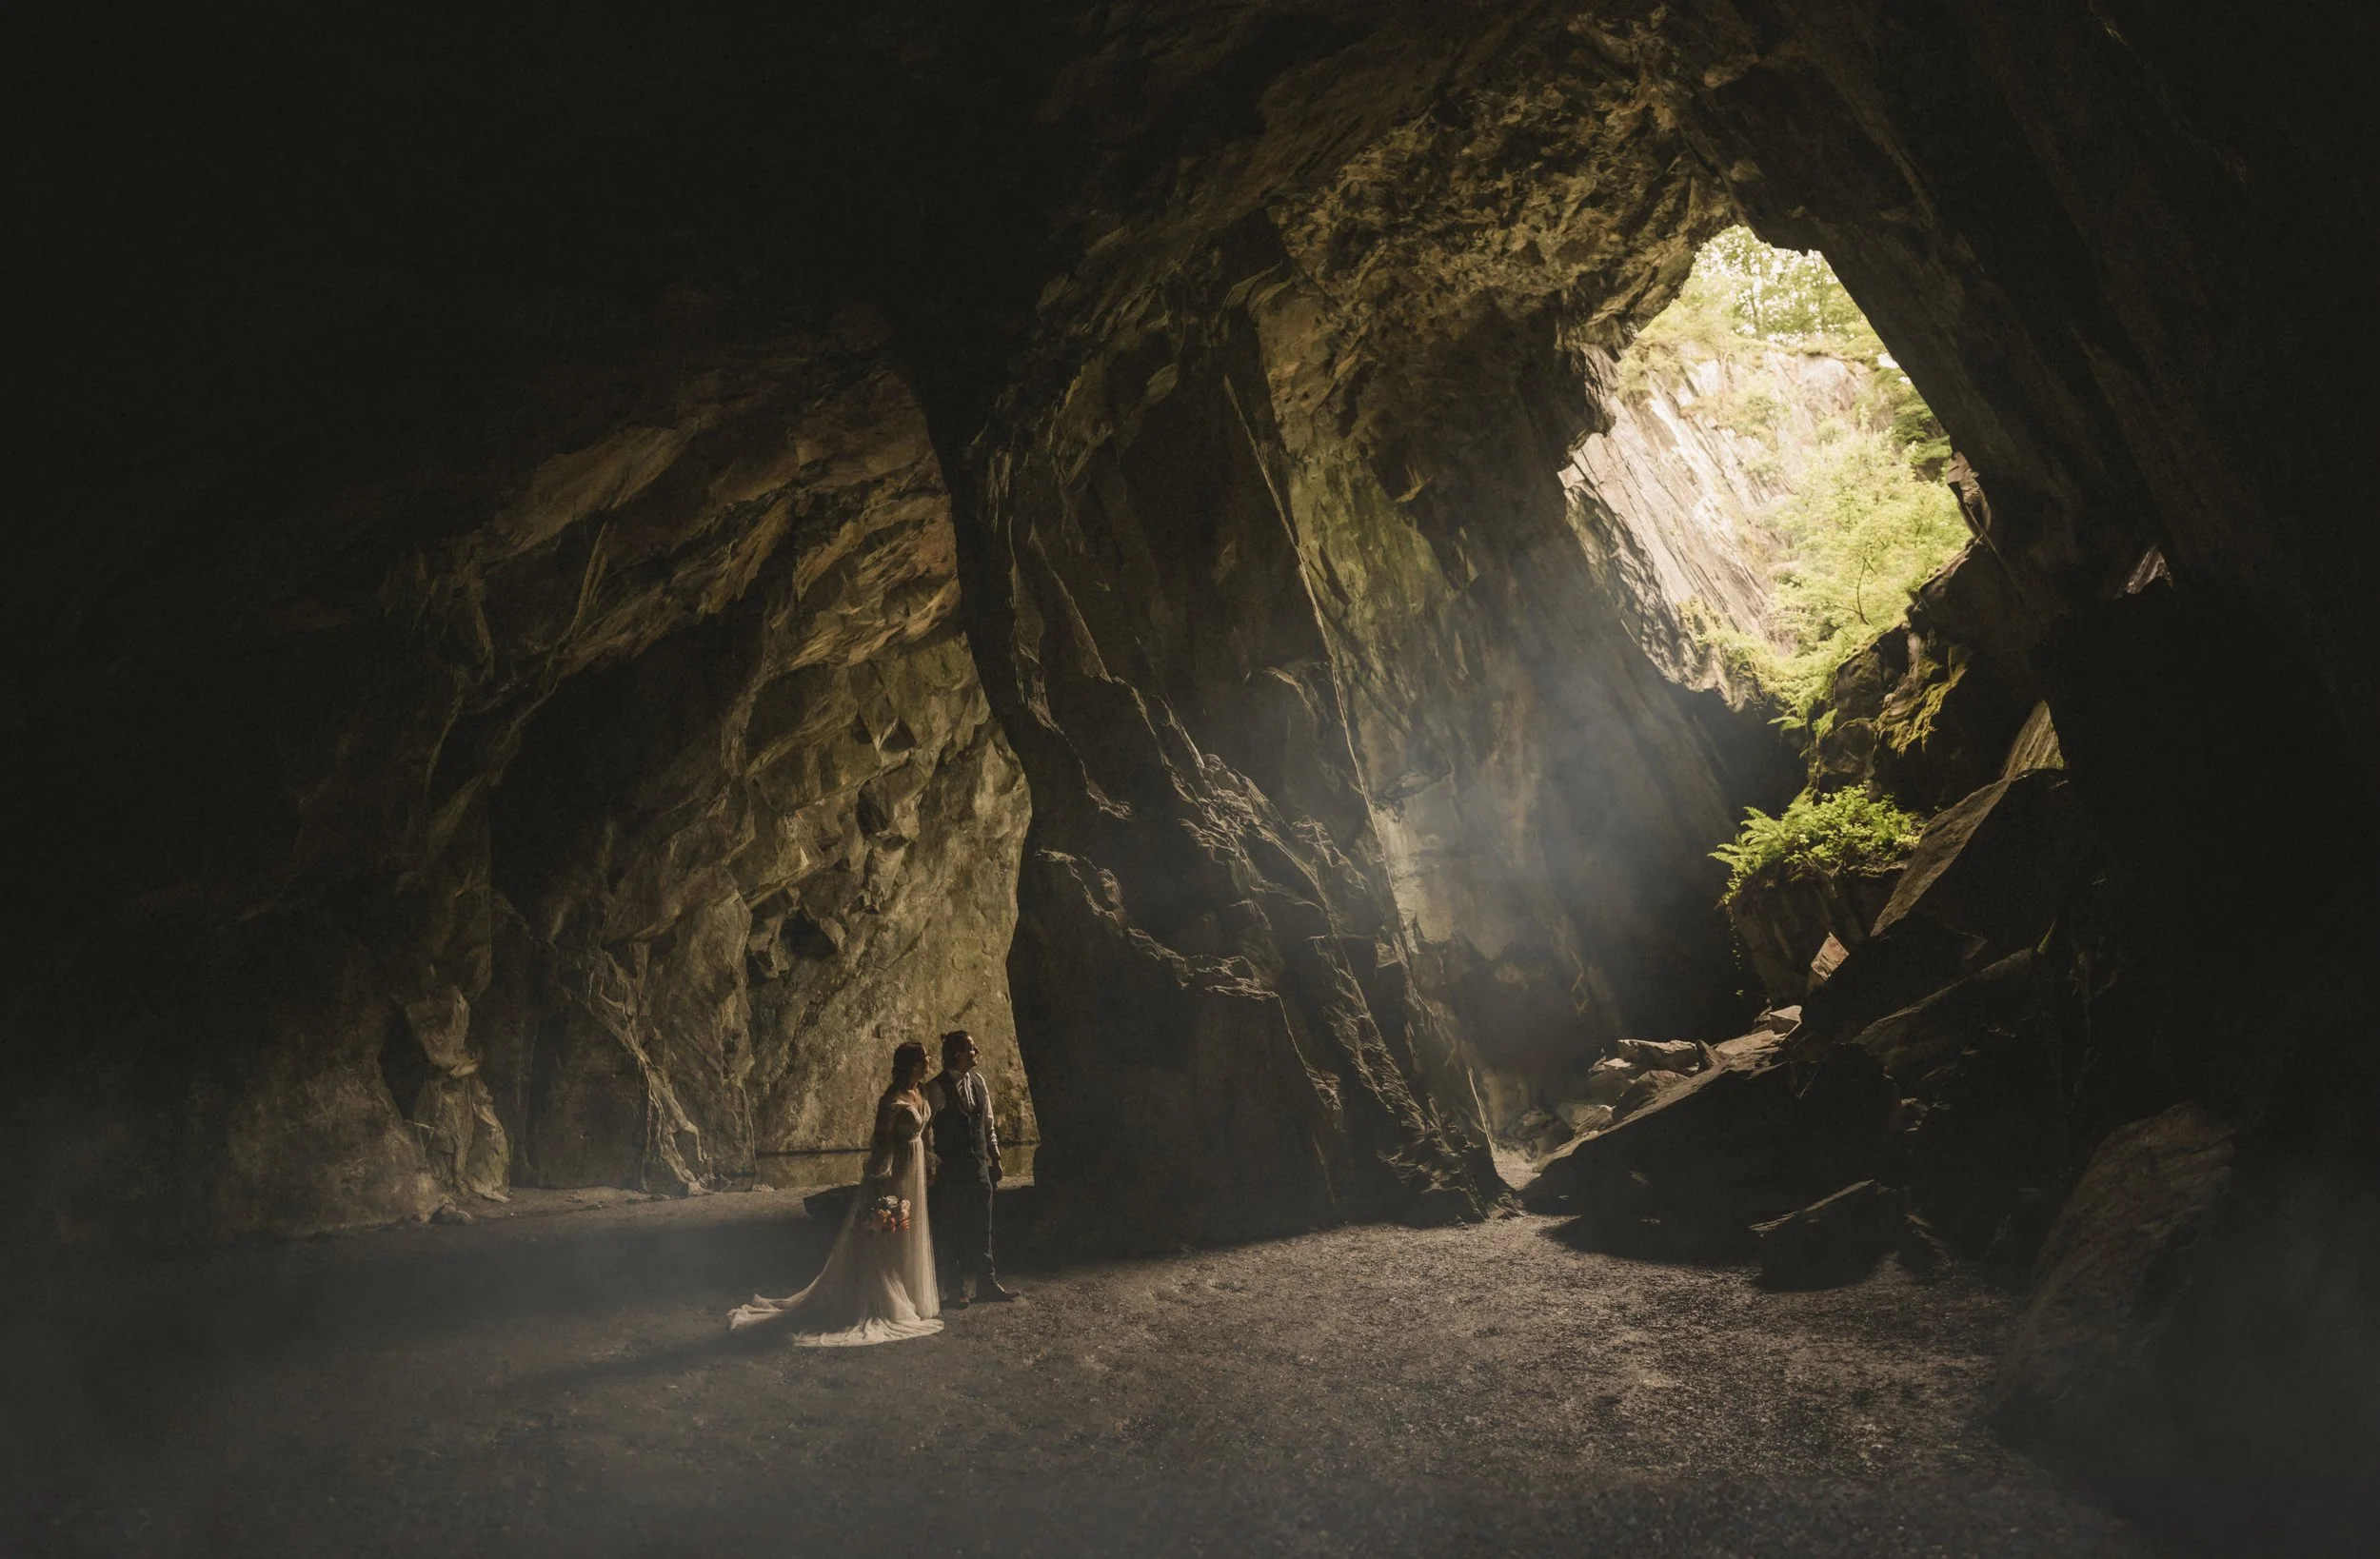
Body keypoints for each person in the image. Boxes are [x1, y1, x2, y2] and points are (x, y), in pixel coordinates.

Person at [727, 1041, 942, 1346]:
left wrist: (931, 1163)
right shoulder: (891, 1099)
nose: (928, 1064)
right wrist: (880, 1183)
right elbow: (881, 1143)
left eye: (928, 1059)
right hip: (896, 1172)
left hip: (917, 1165)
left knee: (911, 1230)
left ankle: (911, 1293)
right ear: (909, 1064)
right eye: (922, 1060)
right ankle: (887, 1298)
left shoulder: (919, 1092)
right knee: (888, 1234)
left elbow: (926, 1131)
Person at [923, 1029, 1016, 1305]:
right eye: (972, 1049)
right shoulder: (936, 1088)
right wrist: (931, 1164)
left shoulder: (979, 1082)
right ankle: (954, 1288)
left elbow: (987, 1124)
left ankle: (987, 1283)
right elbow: (925, 1130)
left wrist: (995, 1159)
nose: (977, 1053)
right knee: (951, 1227)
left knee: (982, 1226)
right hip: (951, 1171)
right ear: (958, 1054)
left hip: (977, 1166)